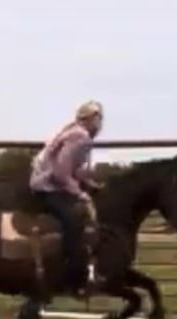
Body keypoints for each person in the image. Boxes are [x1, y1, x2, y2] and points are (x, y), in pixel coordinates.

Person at [29, 100, 104, 296]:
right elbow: (60, 173)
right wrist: (80, 193)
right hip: (47, 187)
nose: (101, 124)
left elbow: (70, 170)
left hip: (46, 183)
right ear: (91, 119)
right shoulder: (81, 136)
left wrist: (88, 184)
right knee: (73, 222)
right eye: (99, 118)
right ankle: (70, 274)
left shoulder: (74, 132)